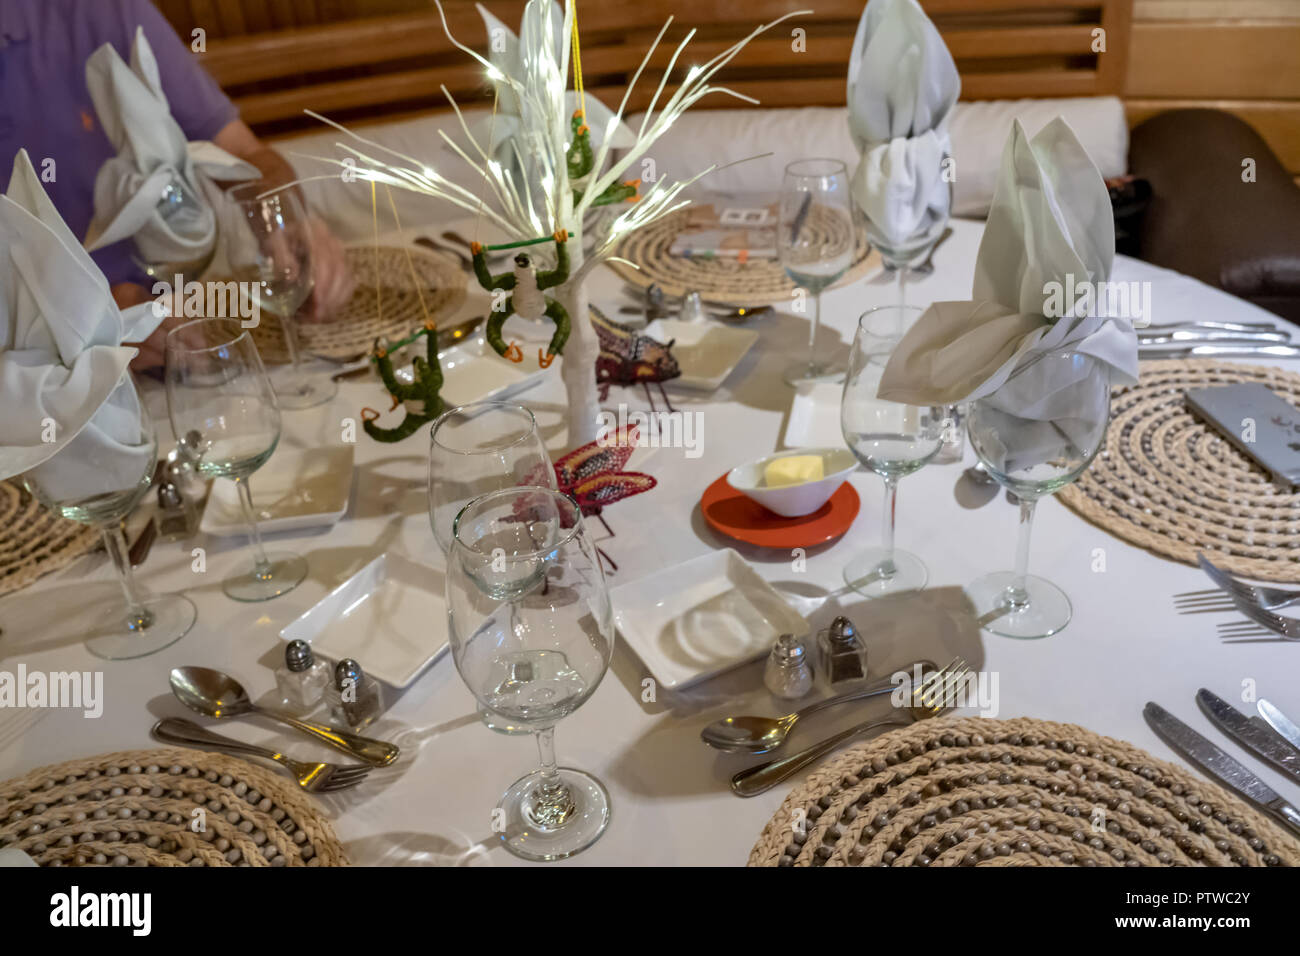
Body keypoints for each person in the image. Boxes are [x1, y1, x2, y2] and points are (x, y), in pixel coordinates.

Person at [0, 0, 355, 368]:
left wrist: (286, 223)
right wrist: (92, 314)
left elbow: (243, 153)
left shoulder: (99, 9)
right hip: (33, 375)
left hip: (169, 330)